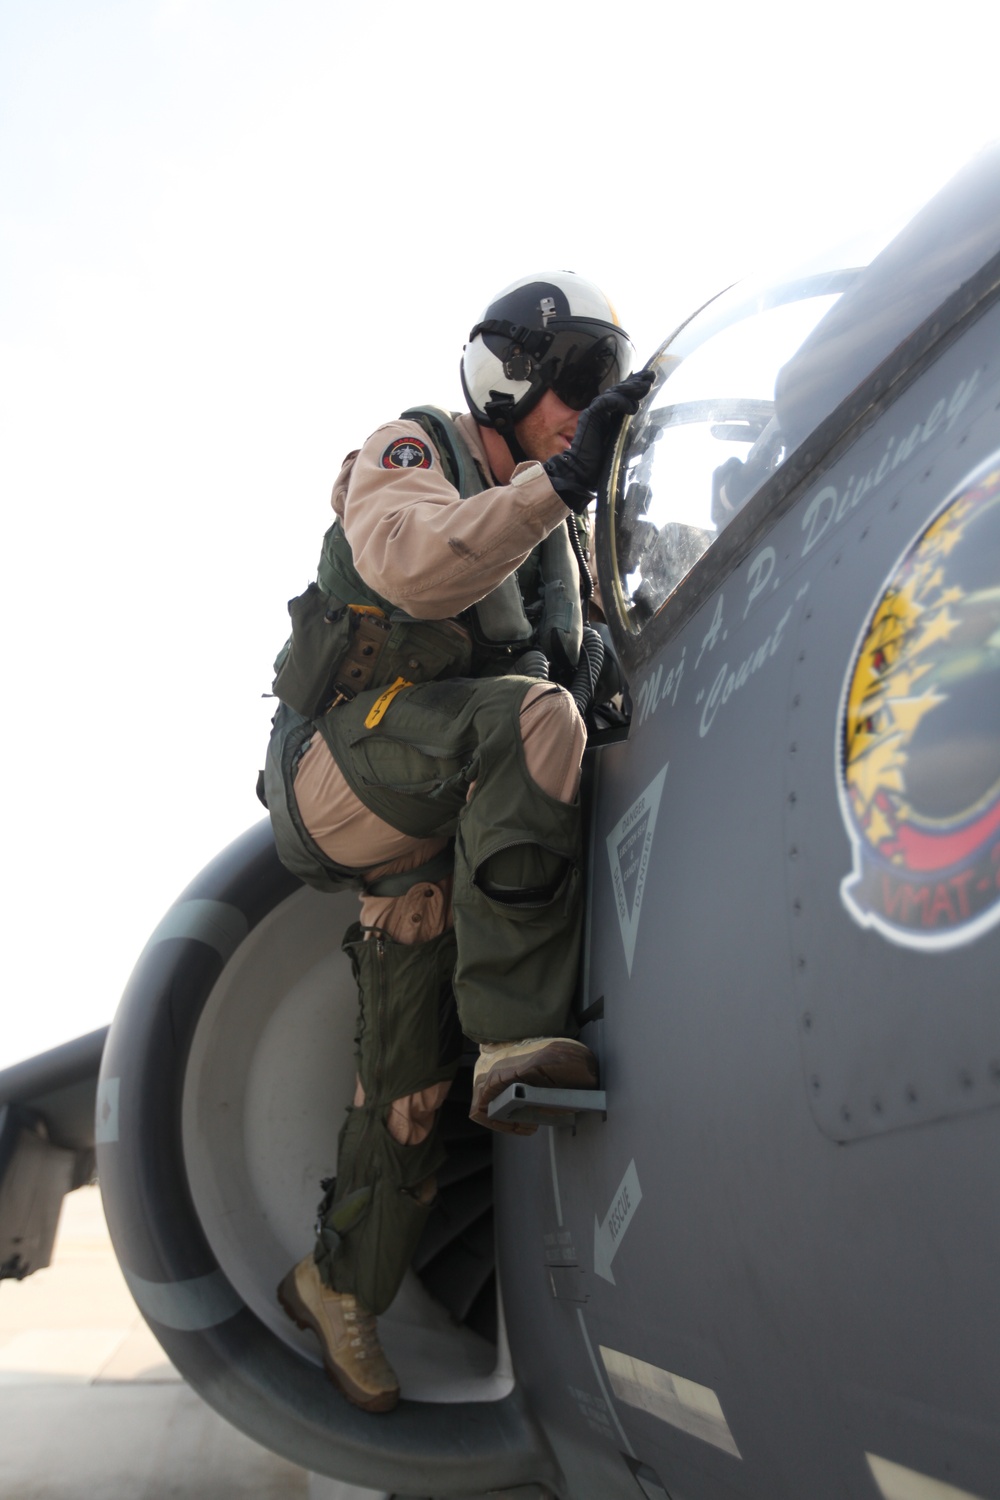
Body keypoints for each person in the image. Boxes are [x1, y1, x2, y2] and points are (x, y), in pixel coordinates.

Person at [263, 272, 652, 1413]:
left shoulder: (560, 542)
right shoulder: (409, 456)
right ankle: (515, 1040)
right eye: (575, 382)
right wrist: (558, 488)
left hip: (435, 818)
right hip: (344, 772)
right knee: (532, 716)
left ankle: (337, 1285)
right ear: (509, 376)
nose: (585, 411)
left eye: (602, 391)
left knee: (403, 1094)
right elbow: (416, 566)